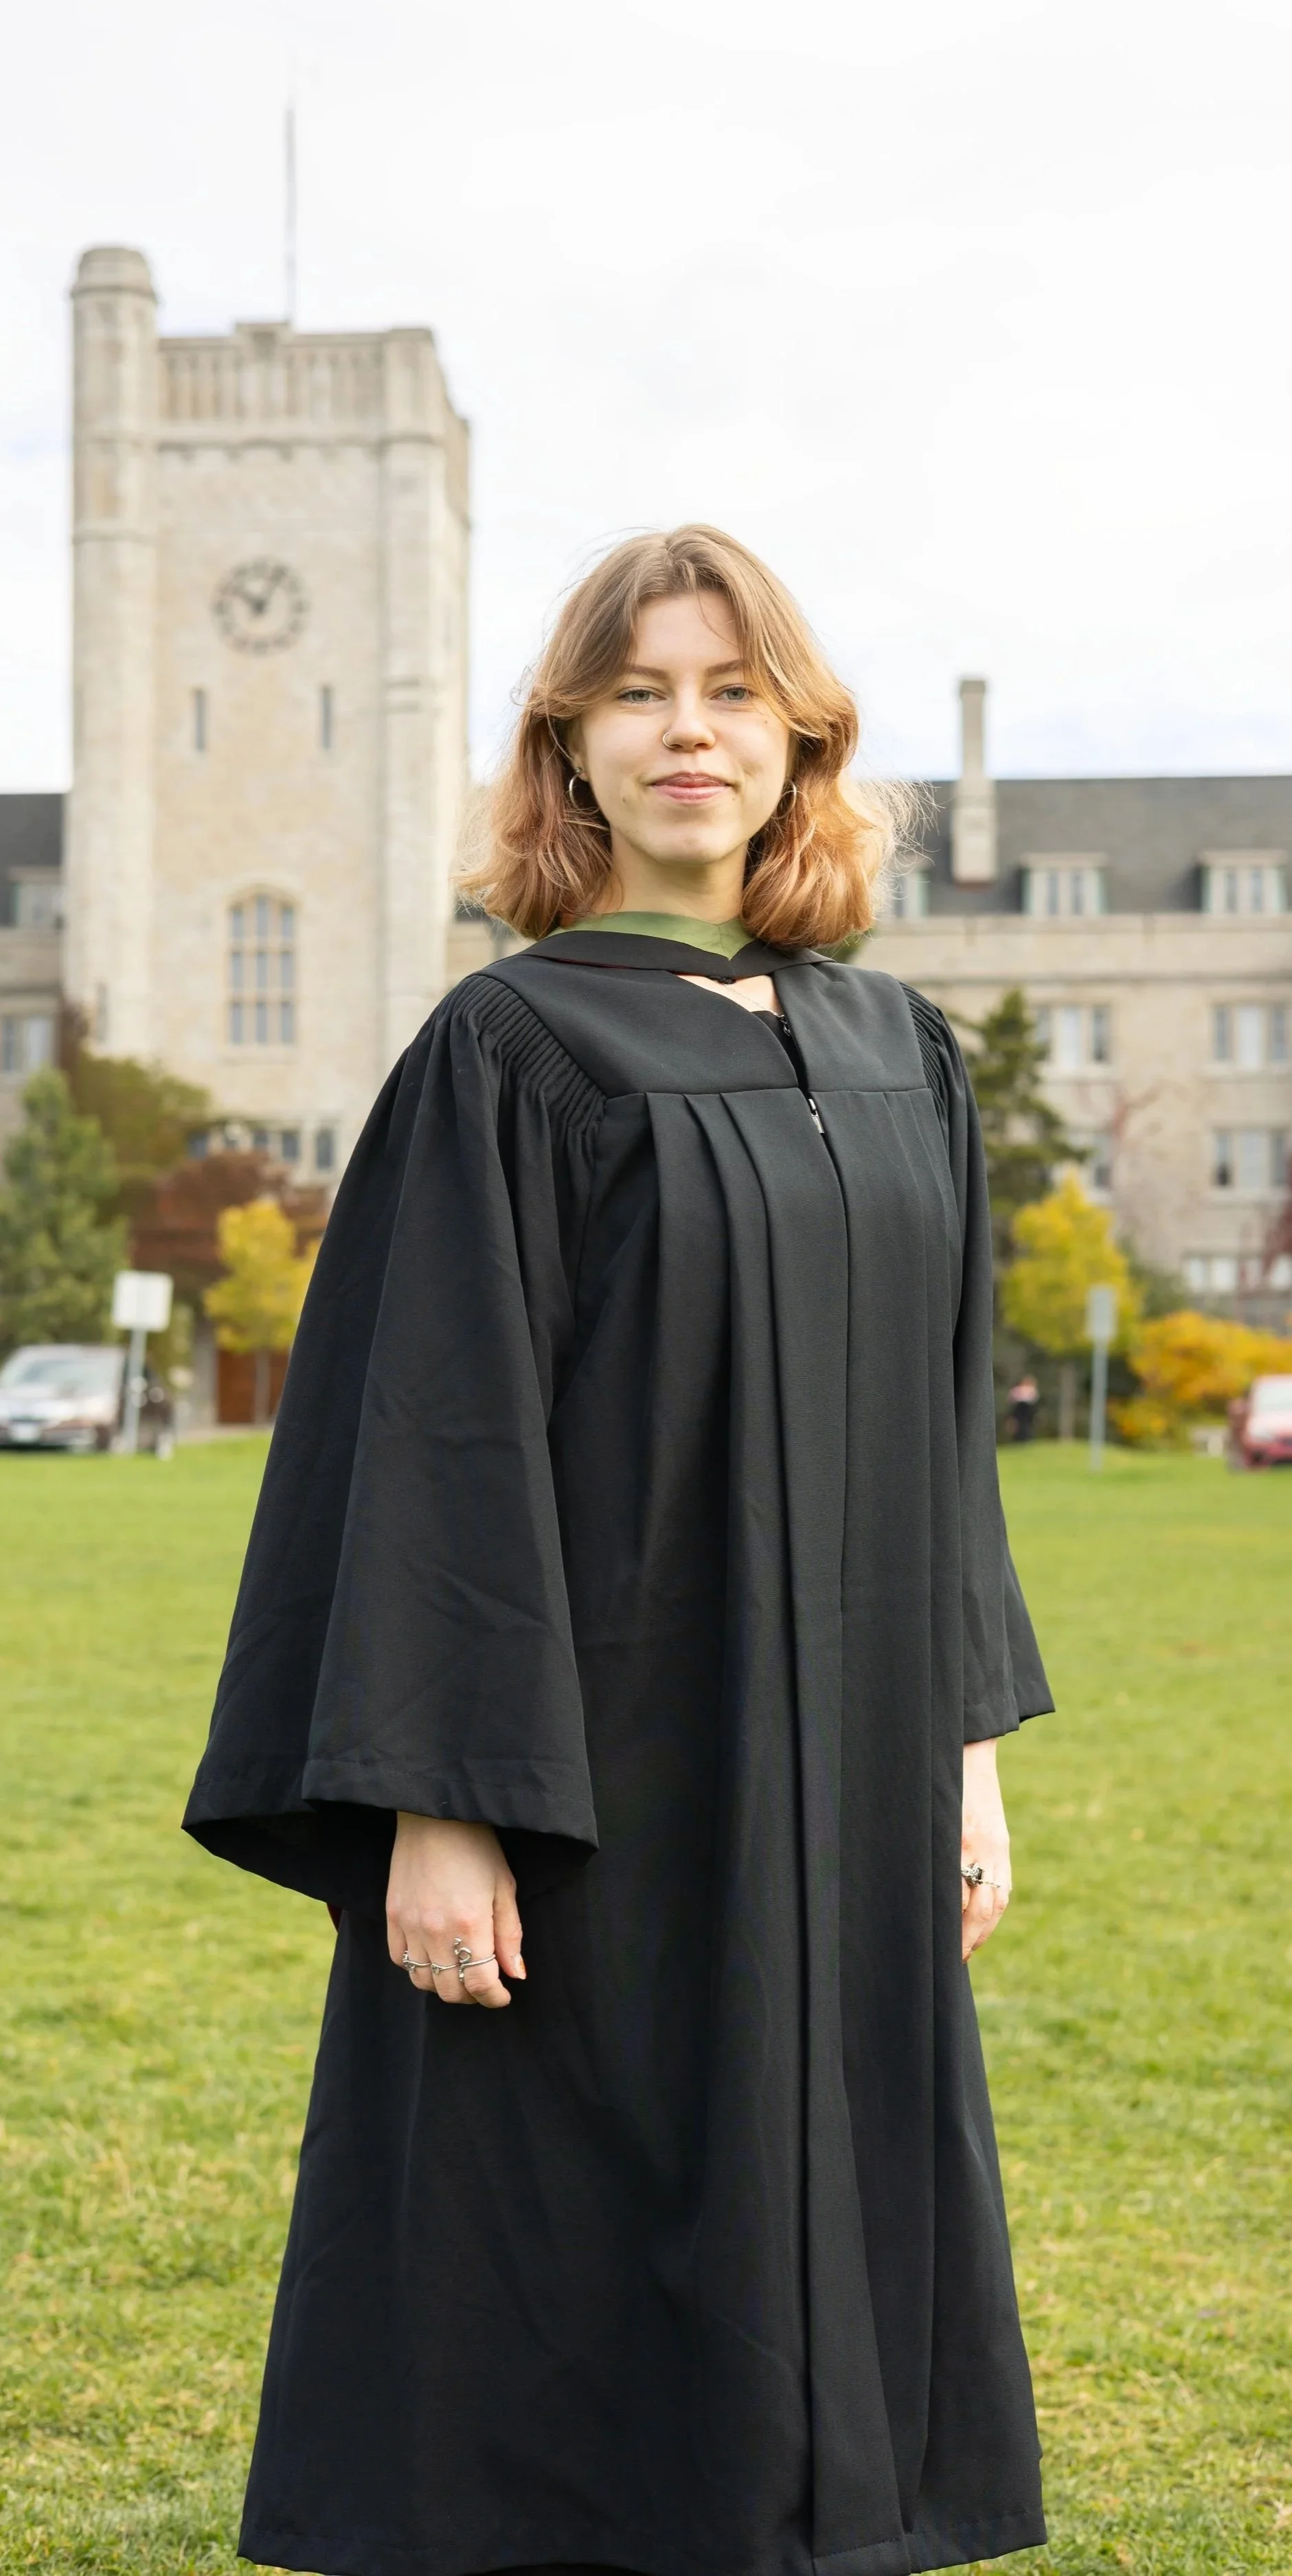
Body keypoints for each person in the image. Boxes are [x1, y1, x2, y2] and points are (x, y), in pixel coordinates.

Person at [185, 525, 1054, 2576]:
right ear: (569, 744)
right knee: (581, 2199)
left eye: (732, 692)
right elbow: (430, 1444)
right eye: (642, 691)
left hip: (850, 1764)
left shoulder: (898, 1056)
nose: (690, 731)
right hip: (604, 1766)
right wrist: (439, 1805)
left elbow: (948, 1445)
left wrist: (968, 1752)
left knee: (827, 2164)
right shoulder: (513, 1052)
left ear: (797, 740)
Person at [1008, 1376, 1040, 1443]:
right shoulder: (1018, 1389)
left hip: (1027, 1408)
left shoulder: (1031, 1389)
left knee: (1027, 1424)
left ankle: (1026, 1438)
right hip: (1020, 1408)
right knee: (1020, 1424)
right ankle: (1021, 1438)